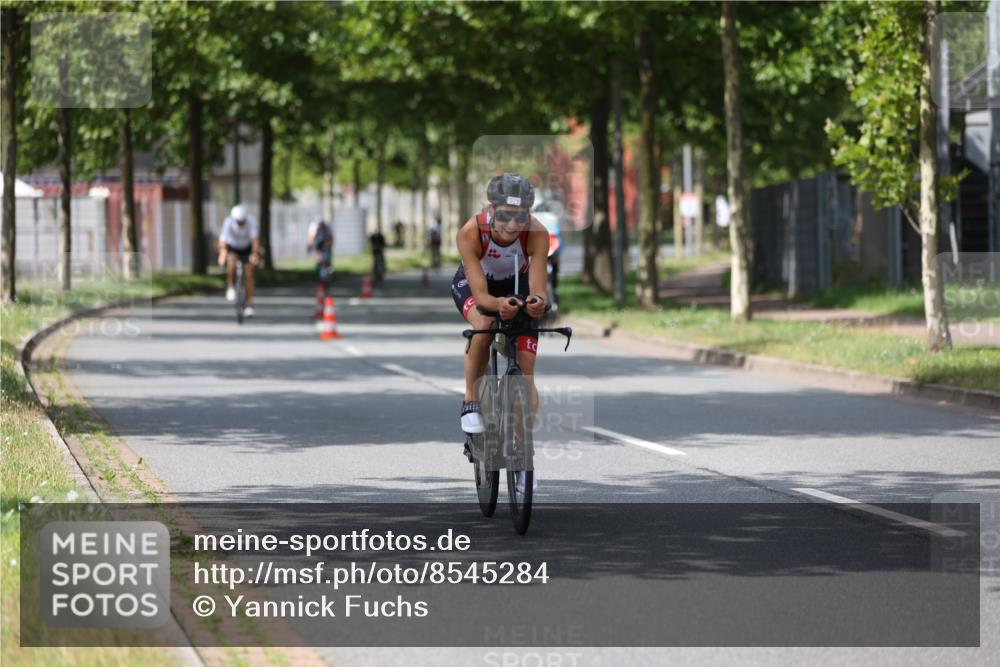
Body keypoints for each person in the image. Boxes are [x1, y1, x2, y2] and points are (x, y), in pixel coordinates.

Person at [452, 173, 548, 440]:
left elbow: (539, 288)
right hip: (476, 286)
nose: (513, 224)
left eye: (521, 216)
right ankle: (470, 400)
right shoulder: (470, 233)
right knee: (485, 324)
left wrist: (537, 303)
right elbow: (482, 297)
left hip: (517, 286)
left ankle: (522, 450)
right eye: (505, 215)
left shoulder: (537, 233)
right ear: (490, 209)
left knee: (526, 369)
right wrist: (498, 305)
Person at [218, 204, 260, 317]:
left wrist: (255, 254)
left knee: (249, 274)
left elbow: (255, 240)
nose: (241, 224)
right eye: (238, 222)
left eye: (242, 222)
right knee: (231, 263)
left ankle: (249, 305)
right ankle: (231, 285)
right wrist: (222, 254)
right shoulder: (228, 222)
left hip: (247, 248)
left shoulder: (251, 222)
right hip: (233, 247)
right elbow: (223, 240)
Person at [307, 217, 334, 291]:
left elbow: (331, 238)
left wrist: (327, 247)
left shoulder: (328, 226)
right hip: (319, 243)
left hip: (326, 242)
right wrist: (310, 247)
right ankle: (319, 276)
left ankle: (328, 272)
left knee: (327, 259)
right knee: (319, 259)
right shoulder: (313, 227)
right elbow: (311, 238)